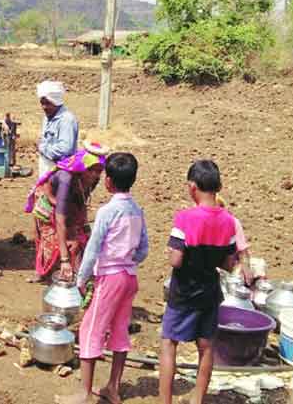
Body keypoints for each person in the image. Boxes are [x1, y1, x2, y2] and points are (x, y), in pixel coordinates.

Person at [57, 152, 148, 404]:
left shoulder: (108, 211)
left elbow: (93, 248)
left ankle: (84, 394)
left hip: (110, 277)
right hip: (129, 277)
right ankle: (113, 388)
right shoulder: (137, 211)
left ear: (108, 181)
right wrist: (128, 260)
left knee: (90, 329)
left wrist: (81, 278)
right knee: (119, 331)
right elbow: (143, 249)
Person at [160, 160, 238, 404]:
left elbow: (176, 260)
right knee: (206, 347)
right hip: (209, 292)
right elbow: (228, 264)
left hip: (183, 291)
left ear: (192, 187)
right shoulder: (229, 221)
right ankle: (197, 400)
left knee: (168, 343)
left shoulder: (184, 218)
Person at [24, 142, 108, 283]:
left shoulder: (93, 178)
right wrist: (65, 260)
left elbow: (83, 198)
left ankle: (77, 273)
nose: (94, 174)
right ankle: (44, 272)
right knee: (51, 240)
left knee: (80, 237)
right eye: (91, 170)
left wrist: (82, 223)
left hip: (68, 201)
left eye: (98, 171)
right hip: (50, 204)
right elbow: (60, 221)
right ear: (82, 167)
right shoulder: (66, 178)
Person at [36, 80, 79, 177]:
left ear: (56, 102)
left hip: (61, 170)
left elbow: (65, 149)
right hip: (47, 166)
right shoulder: (47, 117)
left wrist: (42, 148)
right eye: (42, 103)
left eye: (47, 103)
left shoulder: (66, 120)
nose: (44, 107)